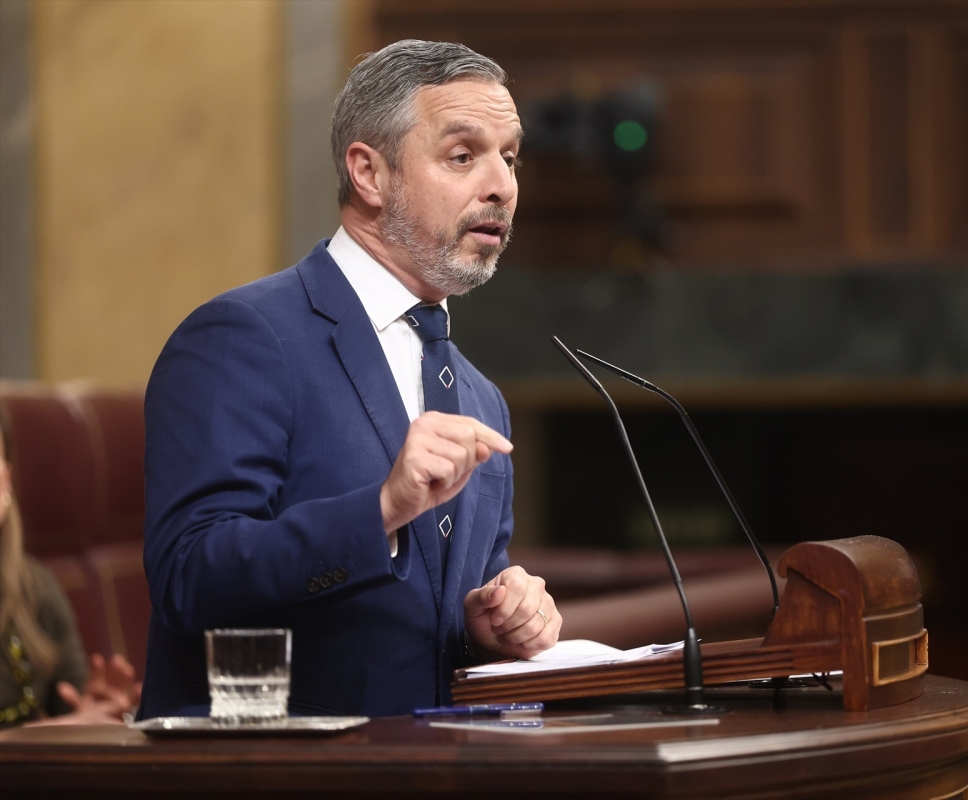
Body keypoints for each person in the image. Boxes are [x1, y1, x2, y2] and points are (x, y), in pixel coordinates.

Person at [139, 40, 560, 720]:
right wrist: (381, 509)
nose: (502, 185)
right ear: (368, 172)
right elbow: (190, 578)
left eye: (510, 157)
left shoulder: (482, 398)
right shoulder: (243, 336)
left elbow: (432, 617)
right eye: (463, 155)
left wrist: (492, 624)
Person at [0, 408, 141, 727]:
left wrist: (92, 708)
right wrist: (48, 734)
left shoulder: (34, 586)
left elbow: (73, 711)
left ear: (6, 480)